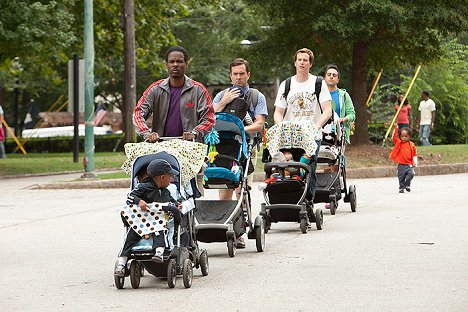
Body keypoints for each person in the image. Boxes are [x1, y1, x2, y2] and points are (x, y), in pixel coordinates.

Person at [212, 58, 268, 248]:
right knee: (224, 187)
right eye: (235, 74)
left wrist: (240, 129)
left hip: (246, 148)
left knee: (242, 189)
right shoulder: (221, 95)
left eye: (241, 74)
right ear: (230, 75)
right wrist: (224, 102)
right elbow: (209, 118)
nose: (238, 77)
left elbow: (259, 124)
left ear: (248, 75)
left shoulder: (255, 96)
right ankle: (224, 225)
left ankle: (240, 230)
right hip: (223, 148)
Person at [273, 48, 332, 201]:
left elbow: (327, 111)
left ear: (310, 64)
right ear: (295, 62)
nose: (302, 62)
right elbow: (278, 112)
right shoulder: (286, 85)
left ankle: (309, 200)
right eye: (299, 59)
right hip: (290, 135)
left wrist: (316, 126)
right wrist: (281, 127)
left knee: (308, 168)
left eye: (305, 60)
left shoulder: (318, 83)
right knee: (289, 166)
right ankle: (290, 197)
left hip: (311, 134)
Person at [133, 46, 215, 142]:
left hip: (190, 148)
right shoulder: (155, 89)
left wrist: (195, 133)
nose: (175, 64)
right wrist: (146, 133)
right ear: (166, 65)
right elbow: (138, 113)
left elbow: (209, 119)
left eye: (179, 61)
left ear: (186, 64)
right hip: (160, 147)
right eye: (171, 62)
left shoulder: (199, 90)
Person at [114, 159, 180, 277]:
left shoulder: (165, 192)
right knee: (130, 237)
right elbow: (130, 197)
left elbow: (171, 202)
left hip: (156, 222)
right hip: (140, 221)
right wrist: (139, 201)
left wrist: (176, 205)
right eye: (170, 177)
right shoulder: (143, 187)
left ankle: (159, 252)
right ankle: (122, 261)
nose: (171, 180)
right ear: (162, 177)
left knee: (160, 231)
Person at [323, 64, 356, 144]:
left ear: (338, 80)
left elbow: (352, 115)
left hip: (339, 134)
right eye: (329, 75)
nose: (331, 77)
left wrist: (343, 119)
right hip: (321, 132)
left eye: (334, 75)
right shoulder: (319, 95)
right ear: (324, 78)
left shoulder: (344, 95)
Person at [389, 125, 418, 193]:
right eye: (402, 136)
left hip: (409, 164)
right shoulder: (398, 143)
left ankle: (407, 185)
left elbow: (414, 154)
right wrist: (396, 128)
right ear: (400, 136)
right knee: (401, 177)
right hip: (401, 165)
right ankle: (401, 188)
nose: (404, 138)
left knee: (411, 174)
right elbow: (393, 137)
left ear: (409, 136)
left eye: (406, 136)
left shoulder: (412, 145)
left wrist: (415, 162)